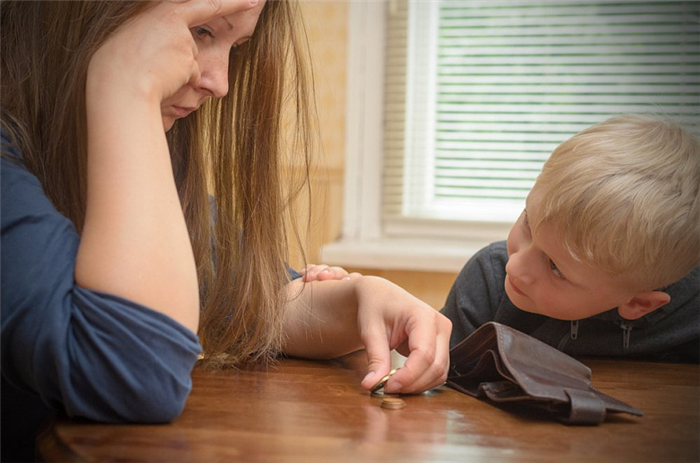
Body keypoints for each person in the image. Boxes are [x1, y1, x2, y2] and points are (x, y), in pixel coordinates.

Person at [0, 0, 451, 460]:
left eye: (236, 45)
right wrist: (125, 81)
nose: (220, 82)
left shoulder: (157, 171)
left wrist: (362, 297)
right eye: (201, 33)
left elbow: (258, 303)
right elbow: (138, 377)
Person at [441, 114, 700, 363]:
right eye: (528, 223)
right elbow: (444, 384)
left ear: (637, 302)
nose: (514, 267)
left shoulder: (691, 317)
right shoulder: (488, 281)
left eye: (555, 268)